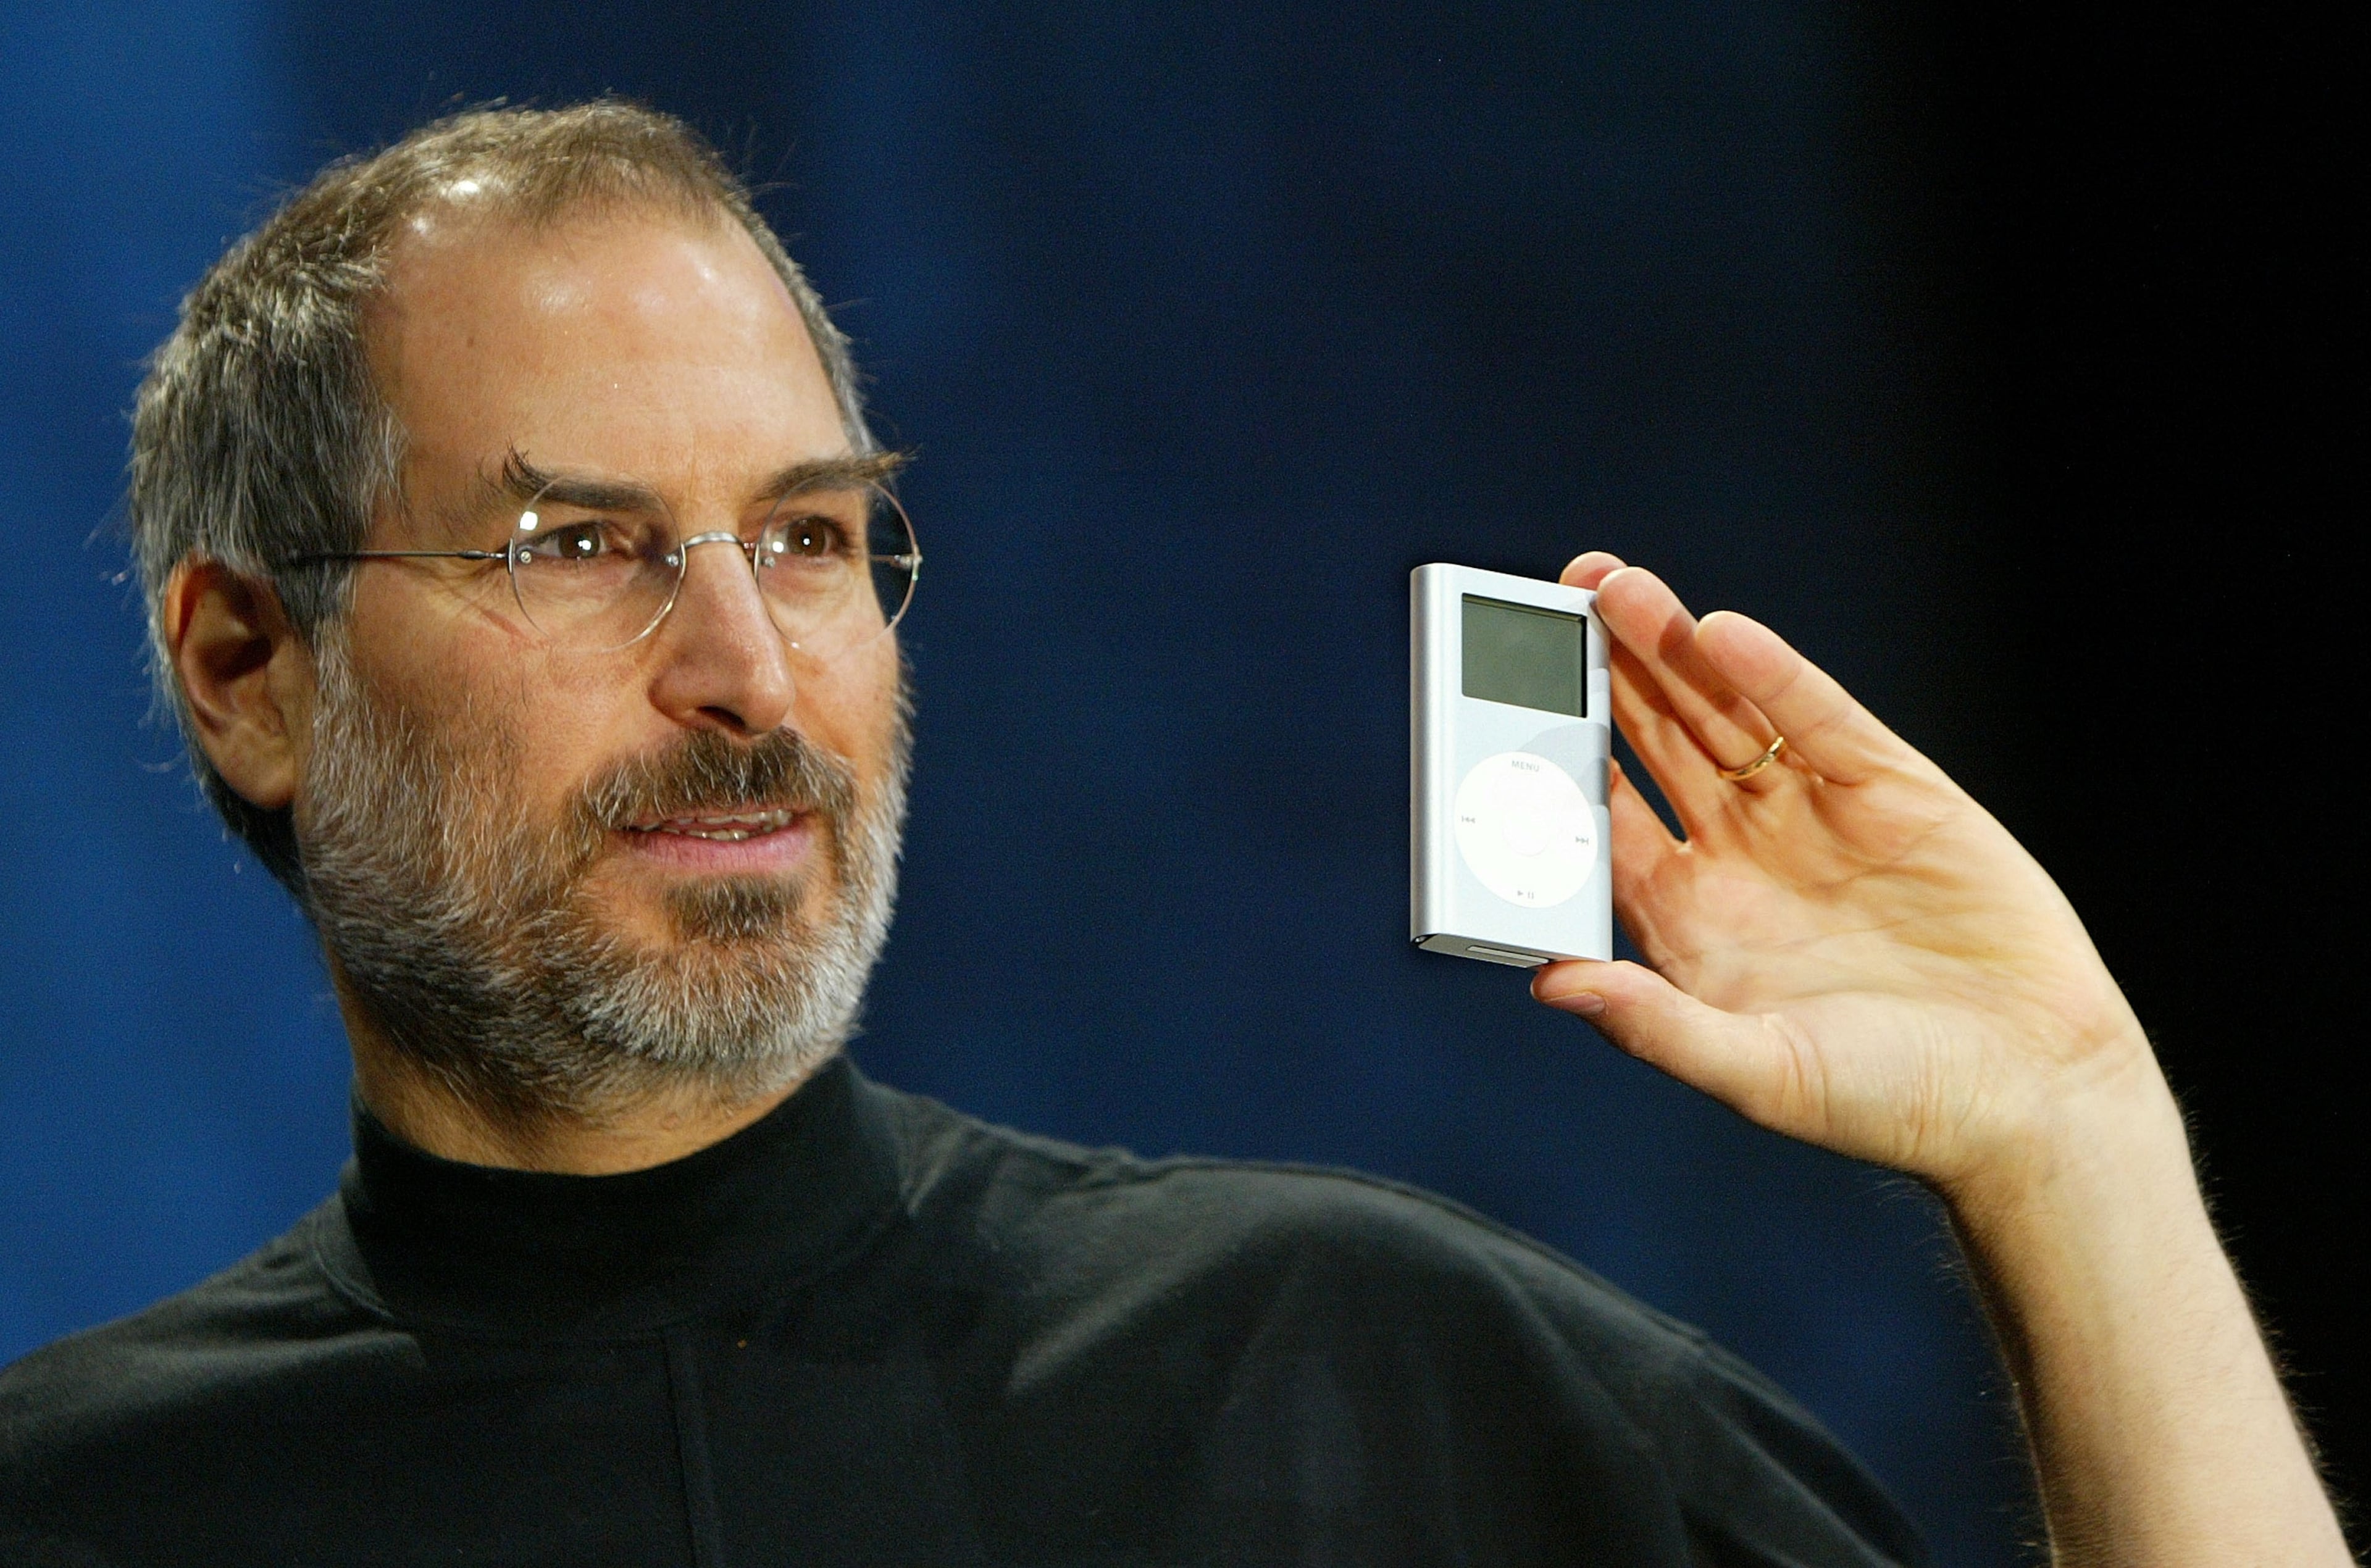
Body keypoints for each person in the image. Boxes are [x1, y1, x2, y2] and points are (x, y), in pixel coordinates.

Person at [0, 101, 2346, 1568]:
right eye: (583, 548)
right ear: (246, 666)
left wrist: (2072, 1147)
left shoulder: (1385, 1373)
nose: (752, 676)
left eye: (814, 542)